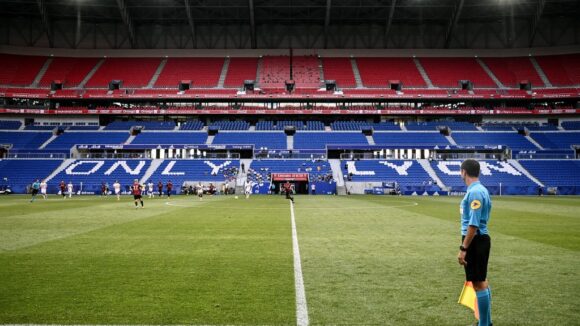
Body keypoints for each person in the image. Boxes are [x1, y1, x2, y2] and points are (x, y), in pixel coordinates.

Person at [457, 159, 493, 326]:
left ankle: (484, 324)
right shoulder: (478, 190)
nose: (460, 173)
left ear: (464, 172)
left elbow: (473, 223)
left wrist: (463, 248)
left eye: (460, 171)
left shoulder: (476, 192)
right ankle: (485, 322)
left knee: (478, 284)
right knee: (481, 281)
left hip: (475, 240)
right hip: (478, 239)